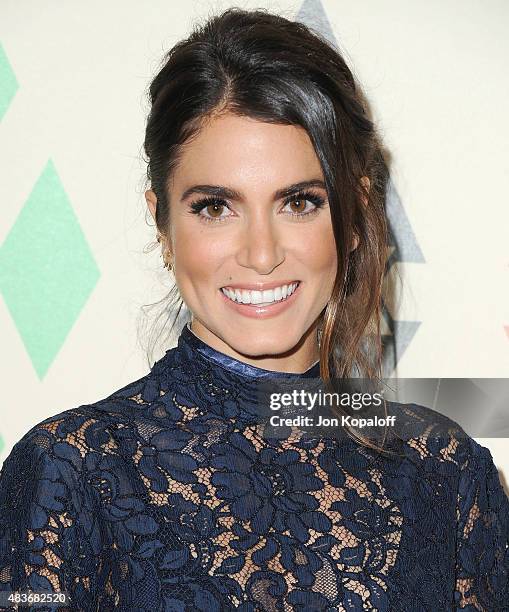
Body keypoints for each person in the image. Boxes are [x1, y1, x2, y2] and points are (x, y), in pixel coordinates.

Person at [0, 7, 508, 611]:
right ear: (162, 223)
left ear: (353, 217)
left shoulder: (447, 474)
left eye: (299, 202)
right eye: (216, 207)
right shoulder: (70, 472)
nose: (262, 254)